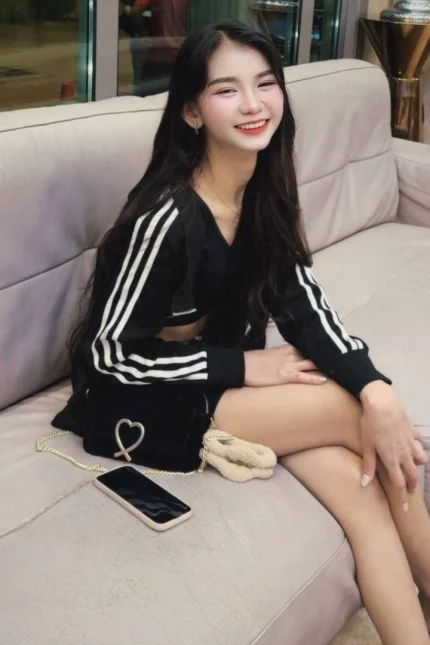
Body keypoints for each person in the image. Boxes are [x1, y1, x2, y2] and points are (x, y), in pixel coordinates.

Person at [53, 21, 430, 643]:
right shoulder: (167, 217)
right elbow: (108, 358)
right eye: (227, 90)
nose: (254, 104)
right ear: (192, 111)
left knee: (366, 496)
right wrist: (246, 367)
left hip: (209, 383)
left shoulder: (263, 195)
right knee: (362, 421)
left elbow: (307, 310)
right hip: (138, 398)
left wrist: (376, 386)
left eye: (265, 83)